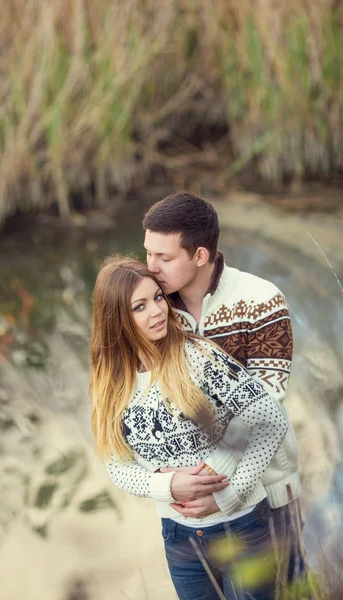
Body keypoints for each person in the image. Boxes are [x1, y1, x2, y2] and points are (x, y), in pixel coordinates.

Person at [90, 255, 289, 600]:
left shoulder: (197, 356)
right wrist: (168, 485)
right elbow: (116, 464)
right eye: (140, 306)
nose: (157, 311)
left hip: (241, 526)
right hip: (180, 540)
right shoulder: (109, 384)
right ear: (117, 320)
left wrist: (228, 493)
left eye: (157, 298)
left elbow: (271, 421)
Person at [142, 191, 306, 580]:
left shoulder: (261, 301)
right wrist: (182, 486)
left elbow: (265, 409)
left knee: (290, 587)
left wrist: (222, 490)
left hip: (267, 487)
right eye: (148, 253)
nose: (150, 267)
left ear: (200, 256)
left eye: (163, 258)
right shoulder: (153, 307)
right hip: (189, 504)